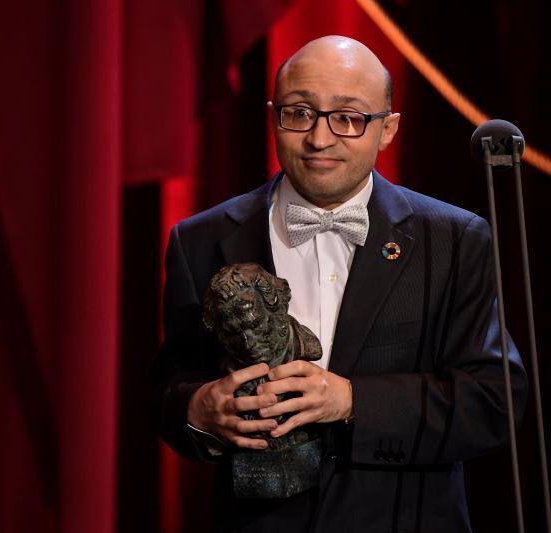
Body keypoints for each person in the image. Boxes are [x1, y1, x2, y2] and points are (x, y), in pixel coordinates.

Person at [150, 35, 527, 532]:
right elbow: (169, 391)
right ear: (273, 116)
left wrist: (350, 401)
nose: (319, 139)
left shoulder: (455, 239)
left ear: (387, 129)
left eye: (348, 118)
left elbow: (492, 399)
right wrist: (199, 409)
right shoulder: (200, 239)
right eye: (299, 113)